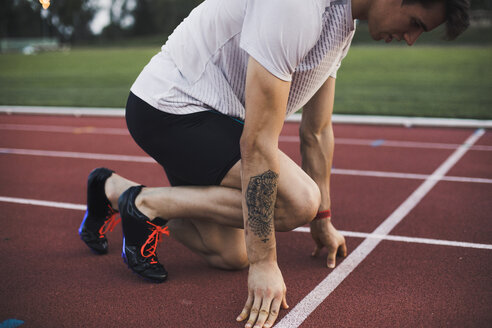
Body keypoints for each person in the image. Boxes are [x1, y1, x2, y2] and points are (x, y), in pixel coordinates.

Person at [78, 0, 469, 327]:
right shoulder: (297, 7)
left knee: (231, 255)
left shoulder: (342, 23)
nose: (410, 39)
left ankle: (114, 191)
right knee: (296, 201)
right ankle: (147, 206)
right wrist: (266, 262)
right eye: (415, 23)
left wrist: (324, 219)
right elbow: (258, 142)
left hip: (215, 118)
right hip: (170, 109)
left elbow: (316, 131)